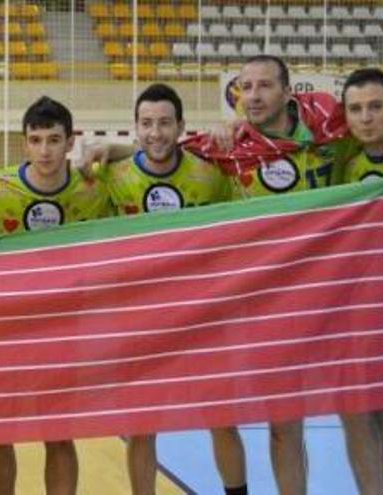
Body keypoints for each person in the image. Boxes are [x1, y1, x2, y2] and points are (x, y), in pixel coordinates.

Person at [183, 55, 359, 495]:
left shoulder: (328, 123)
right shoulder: (233, 145)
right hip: (272, 307)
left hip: (337, 295)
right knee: (284, 427)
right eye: (245, 87)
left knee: (361, 417)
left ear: (287, 91)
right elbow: (166, 150)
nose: (254, 96)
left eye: (264, 86)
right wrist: (114, 151)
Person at [96, 83, 247, 495]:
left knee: (221, 420)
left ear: (181, 125)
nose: (155, 133)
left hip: (202, 321)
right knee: (141, 427)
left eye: (164, 123)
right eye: (146, 124)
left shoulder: (211, 175)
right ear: (135, 129)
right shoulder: (113, 177)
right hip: (140, 324)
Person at [0, 96, 110, 495]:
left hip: (64, 332)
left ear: (71, 141)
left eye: (54, 140)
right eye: (36, 140)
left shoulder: (94, 191)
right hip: (0, 329)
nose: (45, 150)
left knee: (58, 433)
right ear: (25, 143)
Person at [339, 67, 383, 495]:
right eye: (356, 109)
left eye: (376, 107)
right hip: (361, 318)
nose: (366, 117)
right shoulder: (344, 168)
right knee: (358, 418)